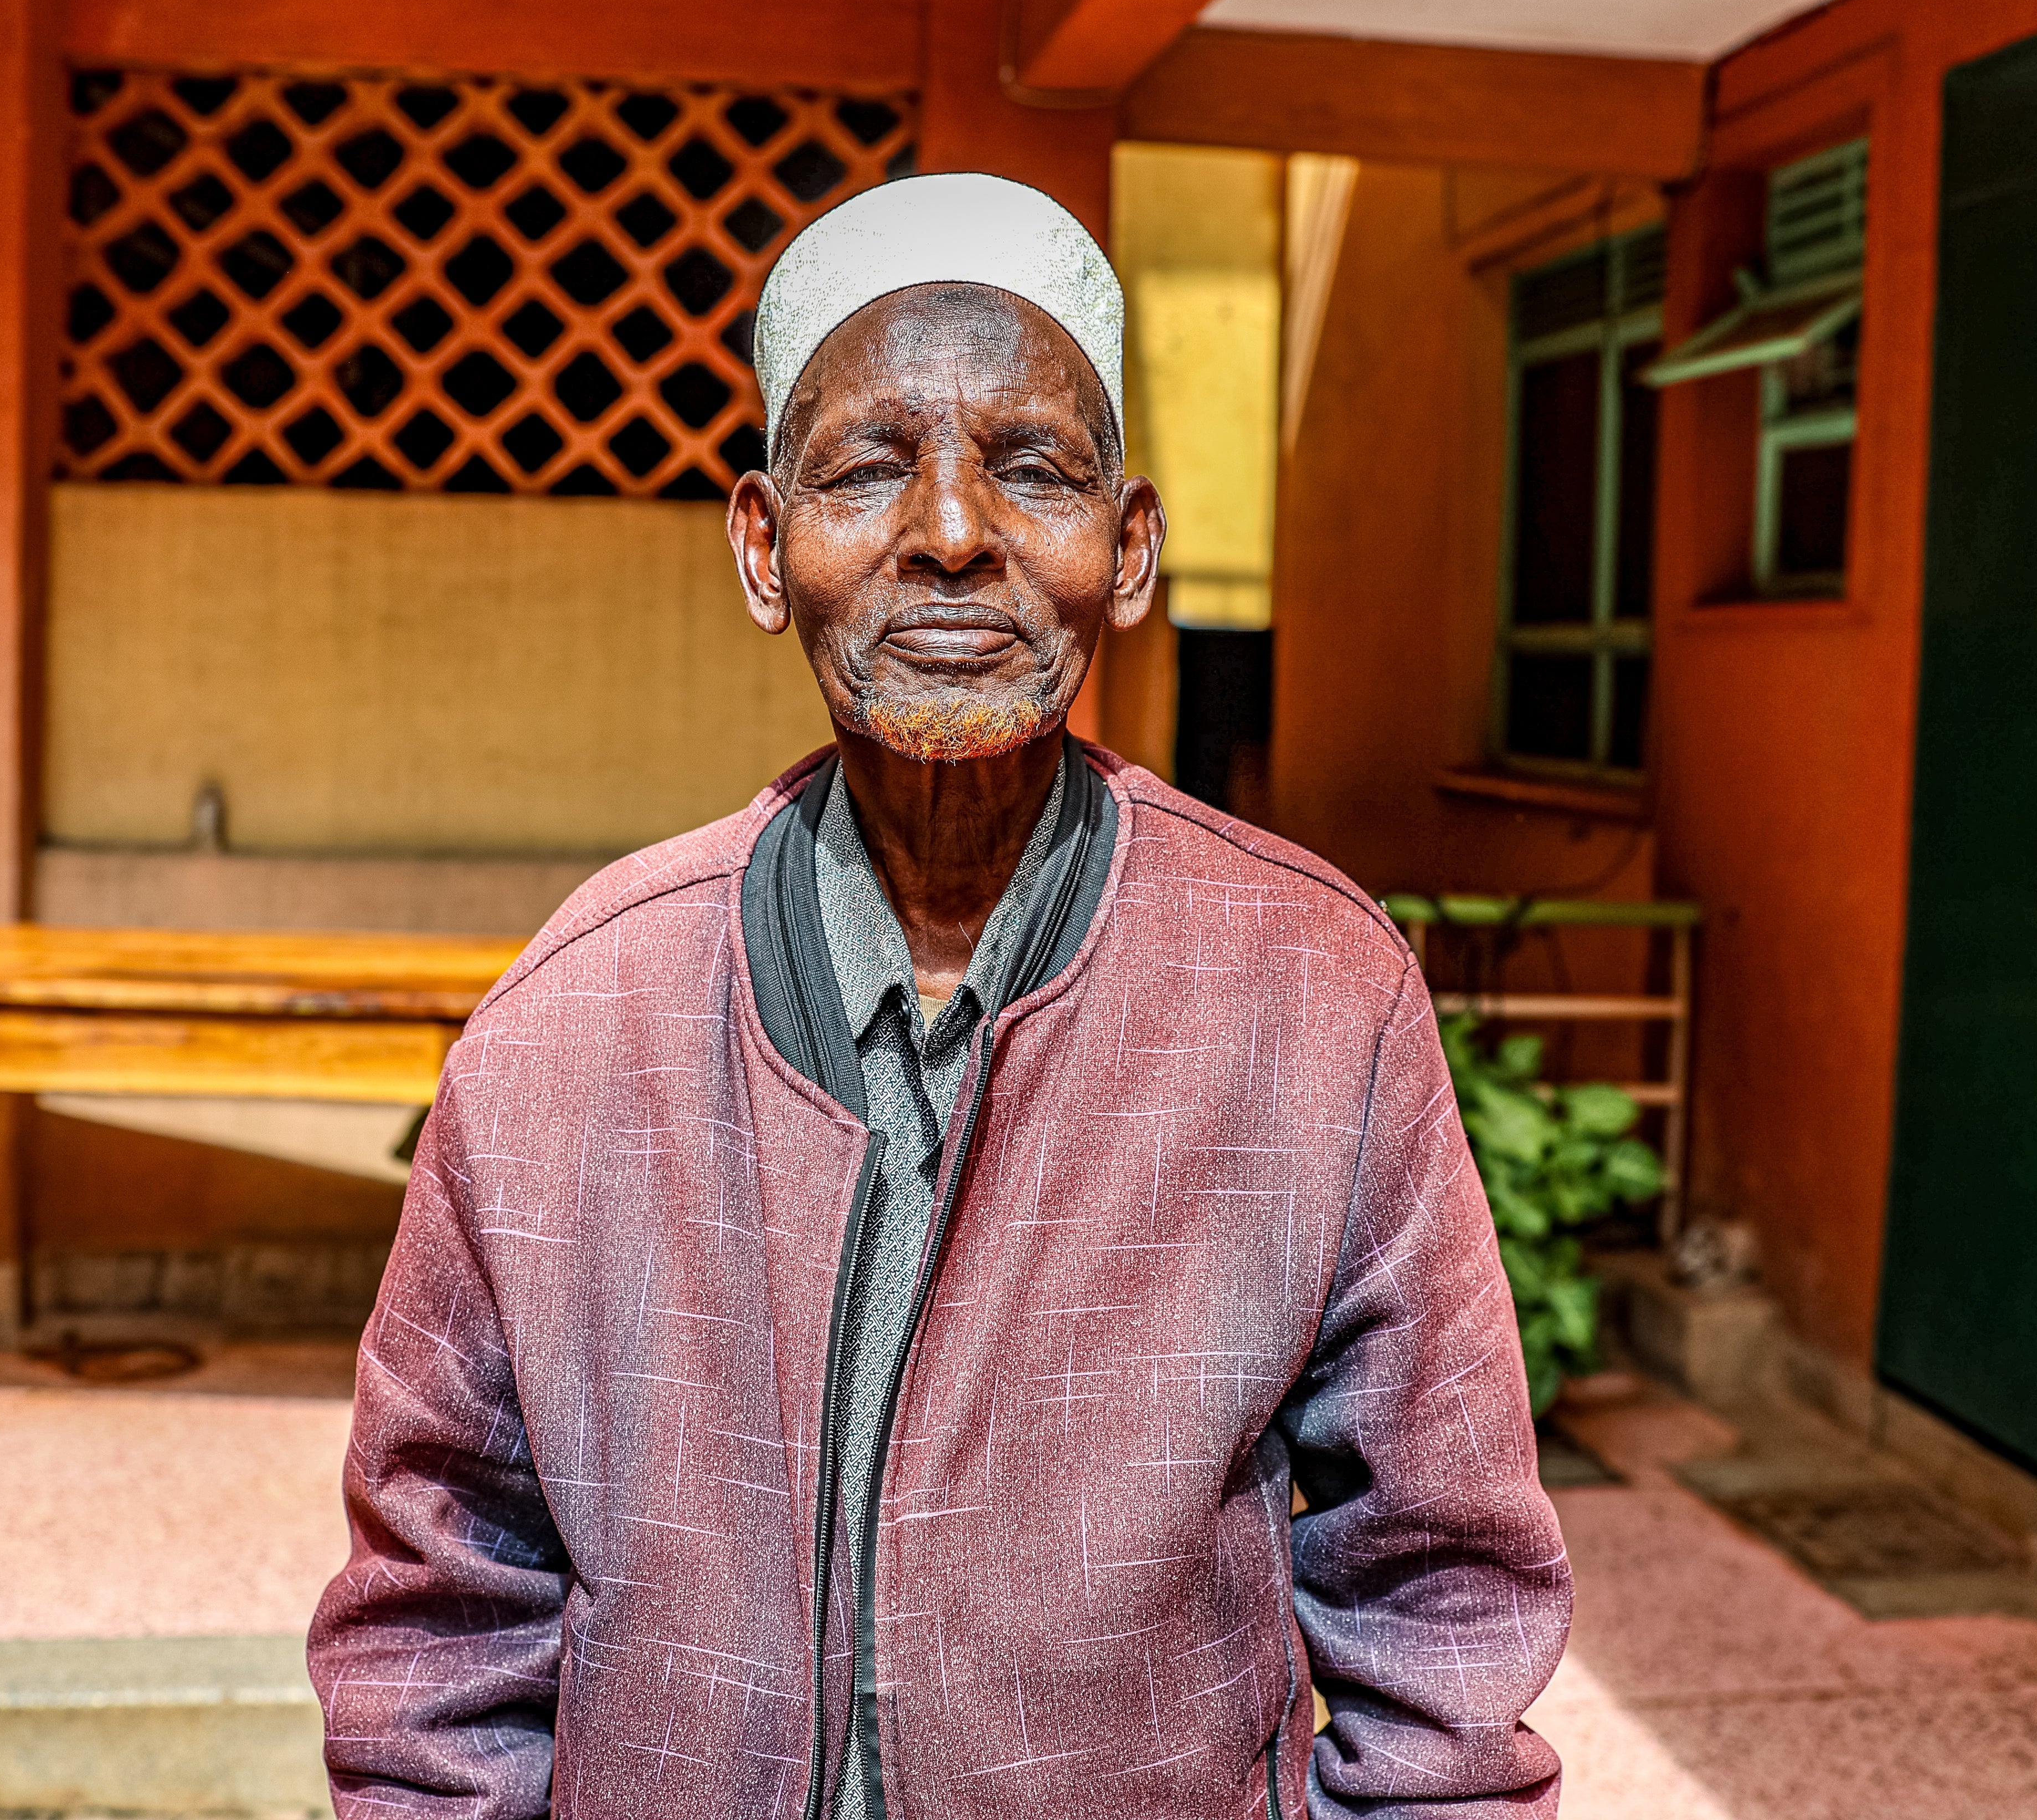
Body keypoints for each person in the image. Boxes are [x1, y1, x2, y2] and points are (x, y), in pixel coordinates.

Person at [310, 172, 1569, 1818]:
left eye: (1032, 467)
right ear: (765, 548)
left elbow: (1440, 1606)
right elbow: (437, 1626)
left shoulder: (1313, 1001)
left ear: (1130, 550)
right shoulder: (575, 1027)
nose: (955, 534)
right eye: (867, 470)